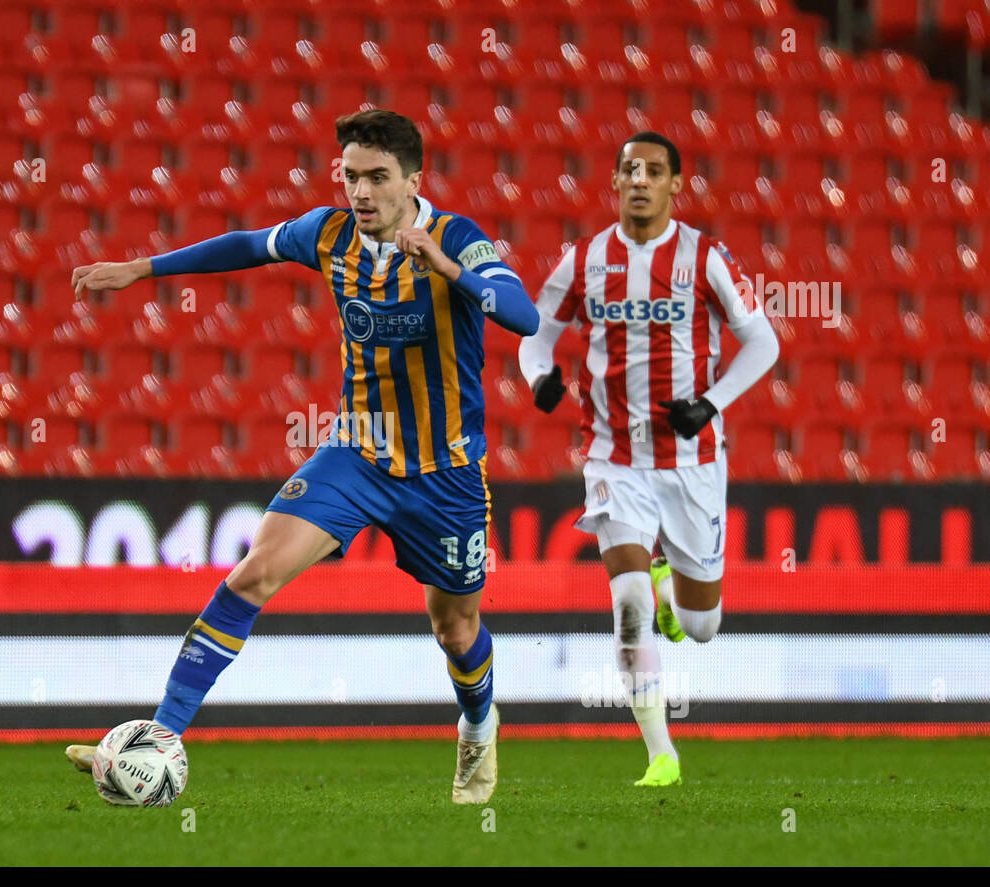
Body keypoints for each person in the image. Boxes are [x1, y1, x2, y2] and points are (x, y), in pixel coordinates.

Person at [68, 109, 539, 803]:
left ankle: (477, 725)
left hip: (446, 475)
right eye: (351, 175)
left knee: (455, 627)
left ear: (414, 179)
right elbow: (245, 245)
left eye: (378, 177)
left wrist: (444, 267)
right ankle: (162, 738)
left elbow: (522, 314)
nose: (362, 191)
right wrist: (141, 268)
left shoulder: (457, 238)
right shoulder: (327, 233)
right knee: (253, 575)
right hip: (355, 456)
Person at [518, 131, 779, 786]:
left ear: (674, 185)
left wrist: (712, 403)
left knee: (702, 625)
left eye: (653, 170)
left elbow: (762, 342)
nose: (639, 179)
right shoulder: (583, 260)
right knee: (628, 604)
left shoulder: (705, 257)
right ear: (614, 182)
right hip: (613, 459)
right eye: (629, 169)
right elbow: (535, 333)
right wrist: (539, 377)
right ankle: (662, 753)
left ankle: (675, 585)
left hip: (693, 460)